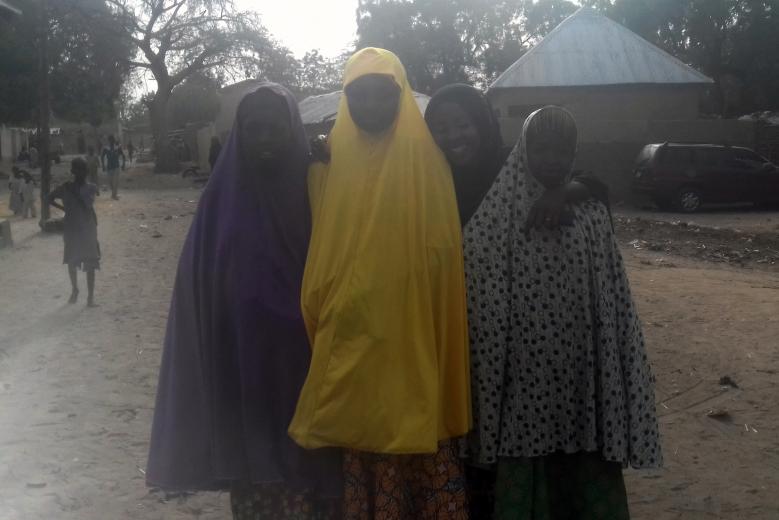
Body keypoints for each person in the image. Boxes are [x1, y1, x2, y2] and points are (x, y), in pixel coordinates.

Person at [288, 48, 471, 519]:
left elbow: (443, 250)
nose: (371, 105)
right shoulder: (331, 160)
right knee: (366, 447)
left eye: (382, 94)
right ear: (347, 99)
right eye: (360, 94)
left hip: (412, 338)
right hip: (354, 339)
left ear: (400, 94)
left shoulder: (426, 158)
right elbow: (324, 235)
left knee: (417, 439)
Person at [146, 83, 342, 520]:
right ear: (241, 134)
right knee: (259, 482)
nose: (266, 138)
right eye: (255, 129)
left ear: (292, 130)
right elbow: (200, 290)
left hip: (310, 363)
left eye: (276, 128)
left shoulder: (320, 185)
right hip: (245, 366)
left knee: (316, 479)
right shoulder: (220, 201)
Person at [456, 106, 662, 519]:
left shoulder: (591, 212)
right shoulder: (499, 211)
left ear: (575, 151)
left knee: (583, 455)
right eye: (542, 148)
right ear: (523, 149)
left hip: (581, 371)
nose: (552, 158)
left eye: (562, 149)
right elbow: (473, 276)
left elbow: (611, 296)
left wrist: (567, 190)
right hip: (523, 375)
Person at [48, 158, 100, 307]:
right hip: (87, 229)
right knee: (89, 263)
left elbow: (48, 198)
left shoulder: (65, 188)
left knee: (73, 260)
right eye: (80, 170)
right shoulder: (92, 188)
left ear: (73, 171)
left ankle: (76, 291)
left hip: (73, 228)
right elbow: (90, 206)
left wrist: (65, 209)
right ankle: (88, 297)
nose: (80, 173)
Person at [101, 135, 126, 200]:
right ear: (109, 141)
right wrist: (103, 165)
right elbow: (102, 156)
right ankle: (114, 193)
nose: (112, 141)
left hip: (116, 167)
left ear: (114, 140)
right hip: (109, 167)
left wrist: (123, 165)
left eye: (113, 140)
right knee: (110, 182)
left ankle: (114, 195)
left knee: (115, 182)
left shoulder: (117, 147)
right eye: (110, 140)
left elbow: (123, 156)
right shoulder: (106, 148)